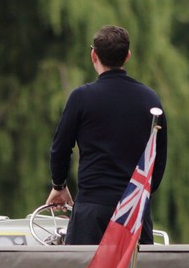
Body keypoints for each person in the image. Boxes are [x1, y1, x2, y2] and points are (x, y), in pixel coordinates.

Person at [46, 24, 168, 245]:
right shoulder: (150, 100)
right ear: (127, 56)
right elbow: (158, 159)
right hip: (134, 211)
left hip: (91, 209)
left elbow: (60, 148)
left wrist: (59, 186)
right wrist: (142, 196)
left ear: (94, 55)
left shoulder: (81, 98)